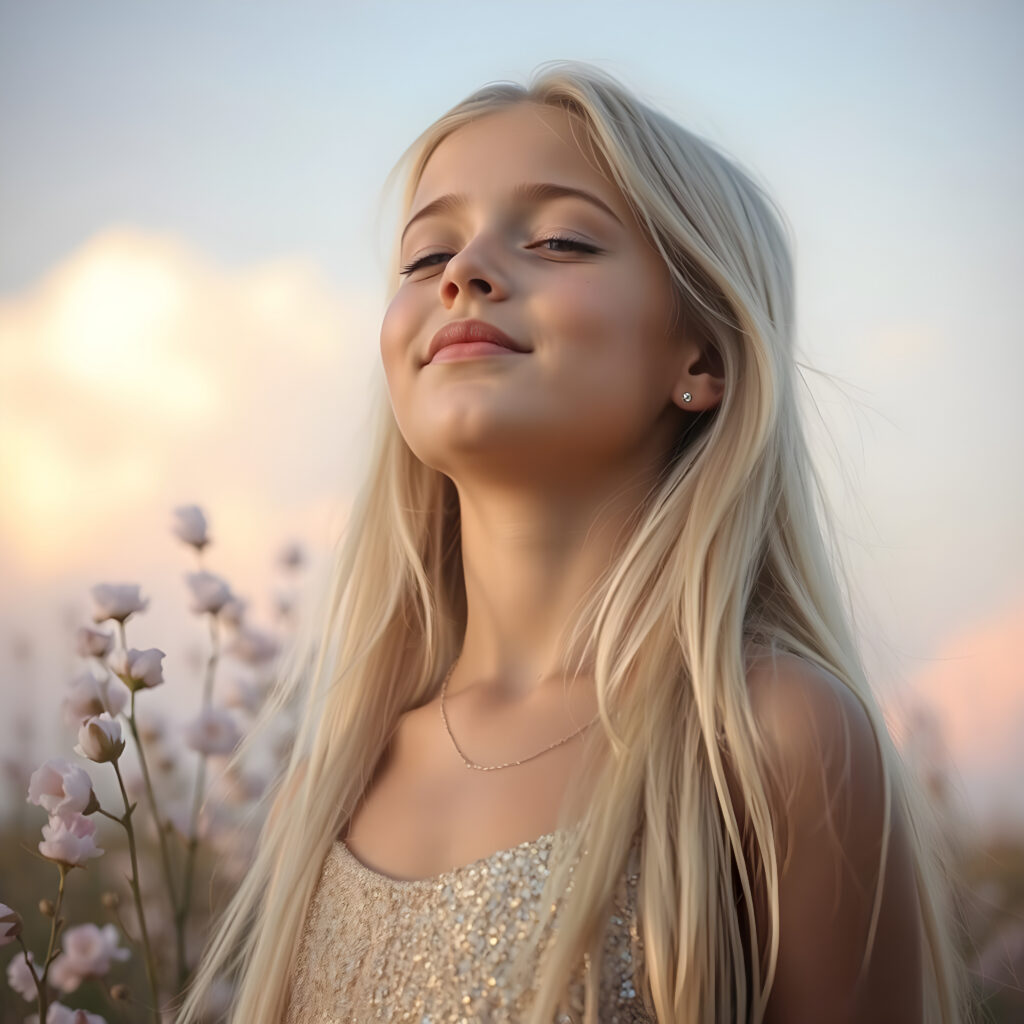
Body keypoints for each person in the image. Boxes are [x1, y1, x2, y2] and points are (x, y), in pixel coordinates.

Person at [177, 61, 971, 1023]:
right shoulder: (330, 779)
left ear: (704, 357)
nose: (463, 274)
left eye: (559, 238)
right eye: (427, 258)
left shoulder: (769, 742)